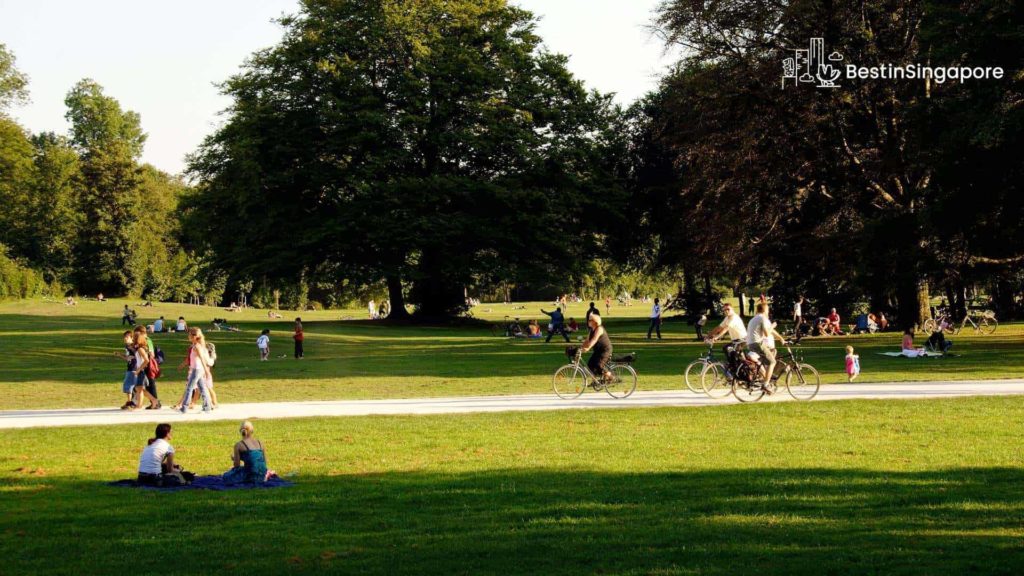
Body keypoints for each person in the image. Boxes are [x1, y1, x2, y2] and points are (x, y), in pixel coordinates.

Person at [746, 302, 787, 384]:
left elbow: (769, 331)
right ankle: (766, 384)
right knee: (772, 362)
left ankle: (761, 375)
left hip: (750, 344)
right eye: (768, 310)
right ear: (765, 310)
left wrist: (780, 338)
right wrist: (773, 325)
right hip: (757, 343)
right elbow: (767, 333)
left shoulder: (754, 318)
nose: (768, 311)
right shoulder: (762, 318)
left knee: (765, 360)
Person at [180, 328, 214, 413]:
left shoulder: (197, 347)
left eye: (190, 335)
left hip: (197, 370)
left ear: (194, 336)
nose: (188, 336)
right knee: (202, 388)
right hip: (197, 369)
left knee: (189, 388)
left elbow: (202, 359)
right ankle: (207, 407)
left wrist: (206, 371)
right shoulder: (196, 346)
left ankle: (184, 408)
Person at [131, 329, 161, 410]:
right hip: (140, 370)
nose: (133, 339)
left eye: (134, 337)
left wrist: (139, 370)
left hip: (141, 371)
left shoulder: (141, 349)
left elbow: (146, 360)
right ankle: (154, 400)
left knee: (139, 388)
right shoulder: (139, 348)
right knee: (139, 388)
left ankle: (140, 405)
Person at [581, 313, 612, 383]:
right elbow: (587, 341)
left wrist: (588, 348)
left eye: (590, 320)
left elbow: (594, 340)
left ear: (595, 322)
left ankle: (611, 377)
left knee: (599, 365)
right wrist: (580, 348)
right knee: (590, 365)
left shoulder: (599, 329)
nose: (588, 321)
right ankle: (595, 382)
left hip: (605, 350)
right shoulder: (592, 330)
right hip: (598, 351)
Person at [116, 330, 137, 409]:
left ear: (132, 338)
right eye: (124, 337)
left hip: (133, 368)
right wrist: (120, 355)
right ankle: (131, 402)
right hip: (130, 367)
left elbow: (137, 354)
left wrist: (134, 356)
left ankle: (130, 403)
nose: (125, 338)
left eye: (127, 337)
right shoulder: (127, 347)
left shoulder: (133, 346)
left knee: (128, 385)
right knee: (133, 386)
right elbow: (128, 358)